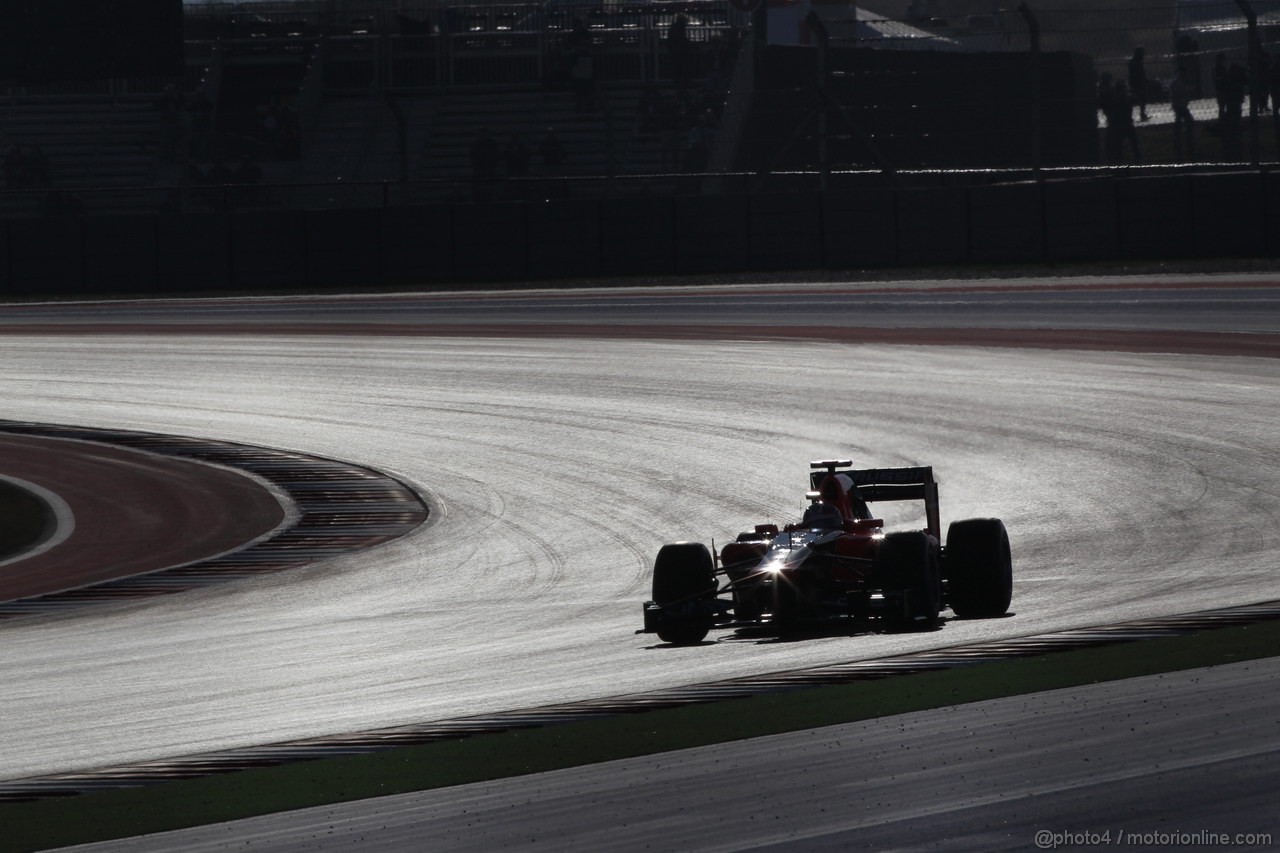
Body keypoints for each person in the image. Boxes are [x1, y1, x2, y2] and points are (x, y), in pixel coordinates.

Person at [1170, 66, 1196, 161]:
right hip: (1180, 105)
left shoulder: (1178, 81)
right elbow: (1180, 91)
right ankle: (1186, 141)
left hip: (1179, 105)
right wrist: (1189, 90)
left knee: (1180, 122)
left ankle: (1179, 140)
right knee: (1188, 121)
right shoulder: (1177, 82)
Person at [1128, 46, 1150, 122]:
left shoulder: (1135, 61)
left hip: (1136, 82)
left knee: (1140, 98)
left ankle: (1141, 114)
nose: (1143, 54)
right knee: (1139, 98)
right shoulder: (1136, 62)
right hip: (1137, 82)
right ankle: (1140, 114)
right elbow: (1139, 73)